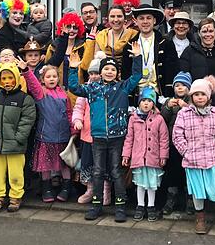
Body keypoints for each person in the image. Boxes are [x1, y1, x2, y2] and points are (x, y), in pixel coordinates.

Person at [67, 43, 143, 222]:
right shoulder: (92, 89)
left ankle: (120, 206)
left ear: (117, 73)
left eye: (113, 69)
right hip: (98, 137)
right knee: (98, 172)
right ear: (100, 72)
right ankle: (96, 205)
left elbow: (137, 76)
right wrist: (72, 68)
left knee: (116, 172)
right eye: (106, 69)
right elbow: (73, 88)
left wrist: (138, 58)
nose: (109, 72)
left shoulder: (122, 88)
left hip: (117, 136)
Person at [172, 76, 215, 235]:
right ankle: (200, 218)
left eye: (203, 94)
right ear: (191, 96)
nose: (200, 97)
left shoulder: (214, 114)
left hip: (212, 158)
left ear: (209, 96)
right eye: (196, 94)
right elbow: (177, 135)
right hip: (192, 160)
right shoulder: (184, 114)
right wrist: (186, 151)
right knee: (197, 191)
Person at [0, 63, 36, 214]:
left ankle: (15, 196)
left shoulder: (24, 99)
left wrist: (19, 137)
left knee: (16, 173)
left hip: (15, 145)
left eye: (10, 78)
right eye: (4, 78)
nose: (7, 81)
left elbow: (28, 120)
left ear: (16, 79)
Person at [20, 58, 76, 203]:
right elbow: (32, 84)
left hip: (63, 135)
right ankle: (46, 188)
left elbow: (69, 112)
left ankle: (66, 188)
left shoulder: (64, 94)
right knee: (45, 165)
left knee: (64, 164)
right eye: (48, 77)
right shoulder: (41, 93)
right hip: (46, 135)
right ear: (43, 79)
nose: (52, 79)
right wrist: (26, 71)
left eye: (54, 76)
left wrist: (73, 129)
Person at [122, 86, 170, 222]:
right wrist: (126, 155)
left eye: (149, 101)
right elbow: (129, 138)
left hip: (153, 157)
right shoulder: (133, 118)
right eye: (143, 100)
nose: (146, 103)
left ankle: (151, 206)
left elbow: (164, 139)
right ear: (139, 102)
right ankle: (140, 205)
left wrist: (163, 156)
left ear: (153, 103)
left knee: (151, 184)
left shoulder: (159, 119)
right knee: (141, 184)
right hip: (139, 157)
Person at [177, 18, 215, 118]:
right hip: (197, 101)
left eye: (211, 31)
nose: (208, 35)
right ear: (199, 33)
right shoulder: (189, 52)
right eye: (204, 31)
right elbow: (184, 77)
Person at [121, 4, 178, 100]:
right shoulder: (129, 46)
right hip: (137, 96)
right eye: (141, 18)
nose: (145, 21)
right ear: (136, 21)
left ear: (154, 21)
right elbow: (126, 74)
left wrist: (168, 96)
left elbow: (172, 70)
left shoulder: (166, 43)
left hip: (160, 95)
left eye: (149, 18)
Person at [72, 52, 106, 204]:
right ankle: (90, 189)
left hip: (104, 136)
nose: (93, 76)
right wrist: (78, 120)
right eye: (91, 73)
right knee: (88, 163)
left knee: (103, 164)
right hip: (87, 135)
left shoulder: (108, 89)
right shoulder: (85, 90)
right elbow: (79, 108)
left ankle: (105, 190)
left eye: (96, 73)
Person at [160, 71, 193, 215]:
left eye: (183, 85)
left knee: (188, 173)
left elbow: (196, 116)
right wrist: (167, 107)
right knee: (172, 172)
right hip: (172, 144)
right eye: (177, 85)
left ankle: (190, 199)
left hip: (188, 144)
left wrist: (185, 107)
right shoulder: (169, 101)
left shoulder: (192, 102)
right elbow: (163, 119)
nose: (180, 88)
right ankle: (171, 198)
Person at [81, 5, 137, 73]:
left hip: (126, 76)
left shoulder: (133, 34)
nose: (116, 20)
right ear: (108, 18)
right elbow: (96, 61)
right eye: (112, 16)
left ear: (124, 18)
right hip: (105, 76)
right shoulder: (101, 35)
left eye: (119, 16)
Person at [0, 0, 30, 64]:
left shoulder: (28, 30)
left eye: (21, 13)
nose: (18, 16)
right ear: (7, 14)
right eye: (14, 13)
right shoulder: (0, 36)